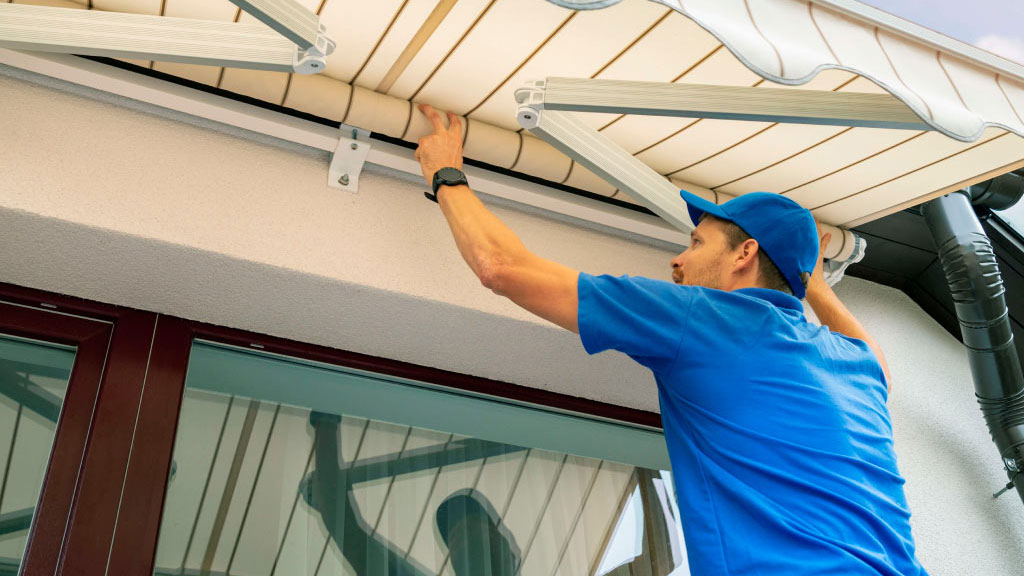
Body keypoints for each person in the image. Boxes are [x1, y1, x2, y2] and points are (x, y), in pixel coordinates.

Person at [412, 103, 928, 576]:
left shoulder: (706, 320)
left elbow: (502, 269)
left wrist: (445, 173)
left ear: (744, 253)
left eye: (696, 242)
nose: (678, 260)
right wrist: (809, 282)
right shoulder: (852, 365)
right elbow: (874, 357)